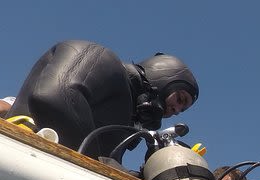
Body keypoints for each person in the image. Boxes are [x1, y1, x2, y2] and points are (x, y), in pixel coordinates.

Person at [5, 40, 199, 159]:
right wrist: (98, 167)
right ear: (164, 77)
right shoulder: (101, 58)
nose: (176, 110)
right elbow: (54, 97)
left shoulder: (122, 120)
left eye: (182, 110)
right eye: (180, 99)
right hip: (20, 151)